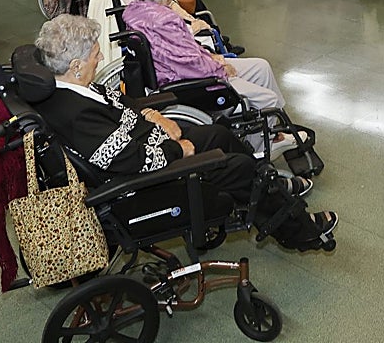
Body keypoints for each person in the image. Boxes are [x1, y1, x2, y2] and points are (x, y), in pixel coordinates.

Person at [31, 15, 336, 250]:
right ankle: (302, 231)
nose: (100, 58)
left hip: (152, 145)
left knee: (218, 134)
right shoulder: (77, 113)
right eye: (95, 55)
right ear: (75, 65)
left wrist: (156, 119)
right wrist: (179, 150)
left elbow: (126, 106)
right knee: (240, 168)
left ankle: (275, 193)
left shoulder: (75, 89)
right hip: (143, 183)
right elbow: (129, 161)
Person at [122, 0, 293, 123]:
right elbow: (189, 65)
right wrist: (221, 67)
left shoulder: (135, 11)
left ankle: (279, 128)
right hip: (192, 83)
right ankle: (260, 145)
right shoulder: (164, 20)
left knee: (261, 67)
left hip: (183, 71)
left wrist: (213, 57)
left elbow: (183, 54)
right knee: (268, 100)